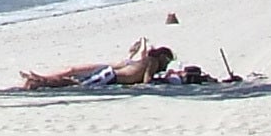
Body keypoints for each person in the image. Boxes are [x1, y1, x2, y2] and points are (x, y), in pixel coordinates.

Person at [21, 40, 173, 90]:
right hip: (111, 76)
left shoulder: (146, 59)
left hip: (110, 73)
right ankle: (39, 82)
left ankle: (40, 80)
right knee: (74, 83)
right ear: (162, 56)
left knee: (74, 78)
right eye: (167, 59)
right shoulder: (153, 61)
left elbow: (140, 58)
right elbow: (147, 81)